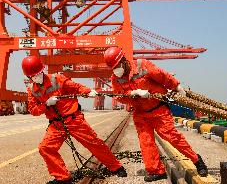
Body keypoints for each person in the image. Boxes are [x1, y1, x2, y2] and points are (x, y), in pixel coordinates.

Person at [103, 47, 208, 182]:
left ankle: (197, 161)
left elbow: (162, 75)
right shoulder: (116, 78)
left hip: (158, 109)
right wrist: (132, 93)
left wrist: (176, 86)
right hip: (140, 113)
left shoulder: (142, 65)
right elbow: (119, 96)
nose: (116, 70)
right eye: (113, 68)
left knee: (172, 137)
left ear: (123, 60)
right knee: (146, 142)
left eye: (117, 66)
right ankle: (156, 171)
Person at [21, 56, 127, 184]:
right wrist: (46, 104)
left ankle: (116, 167)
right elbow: (33, 110)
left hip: (74, 120)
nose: (37, 77)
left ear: (42, 70)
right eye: (34, 76)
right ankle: (63, 178)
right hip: (56, 124)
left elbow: (76, 87)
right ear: (29, 77)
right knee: (45, 148)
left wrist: (88, 91)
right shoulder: (32, 91)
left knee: (94, 144)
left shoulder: (57, 79)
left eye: (38, 74)